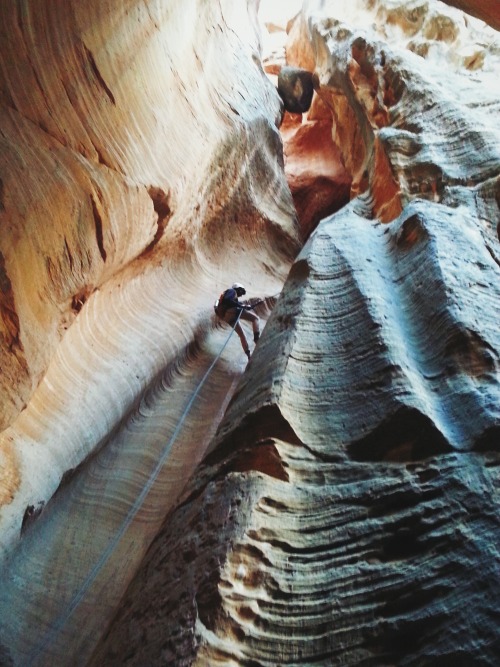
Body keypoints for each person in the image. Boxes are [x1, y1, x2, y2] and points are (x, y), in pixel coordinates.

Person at [215, 283, 260, 359]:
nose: (241, 294)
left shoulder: (231, 296)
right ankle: (257, 340)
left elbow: (235, 303)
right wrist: (241, 306)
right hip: (231, 311)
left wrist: (245, 306)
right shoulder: (232, 291)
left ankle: (249, 357)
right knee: (255, 318)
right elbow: (228, 300)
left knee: (242, 335)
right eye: (241, 292)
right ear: (238, 288)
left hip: (226, 317)